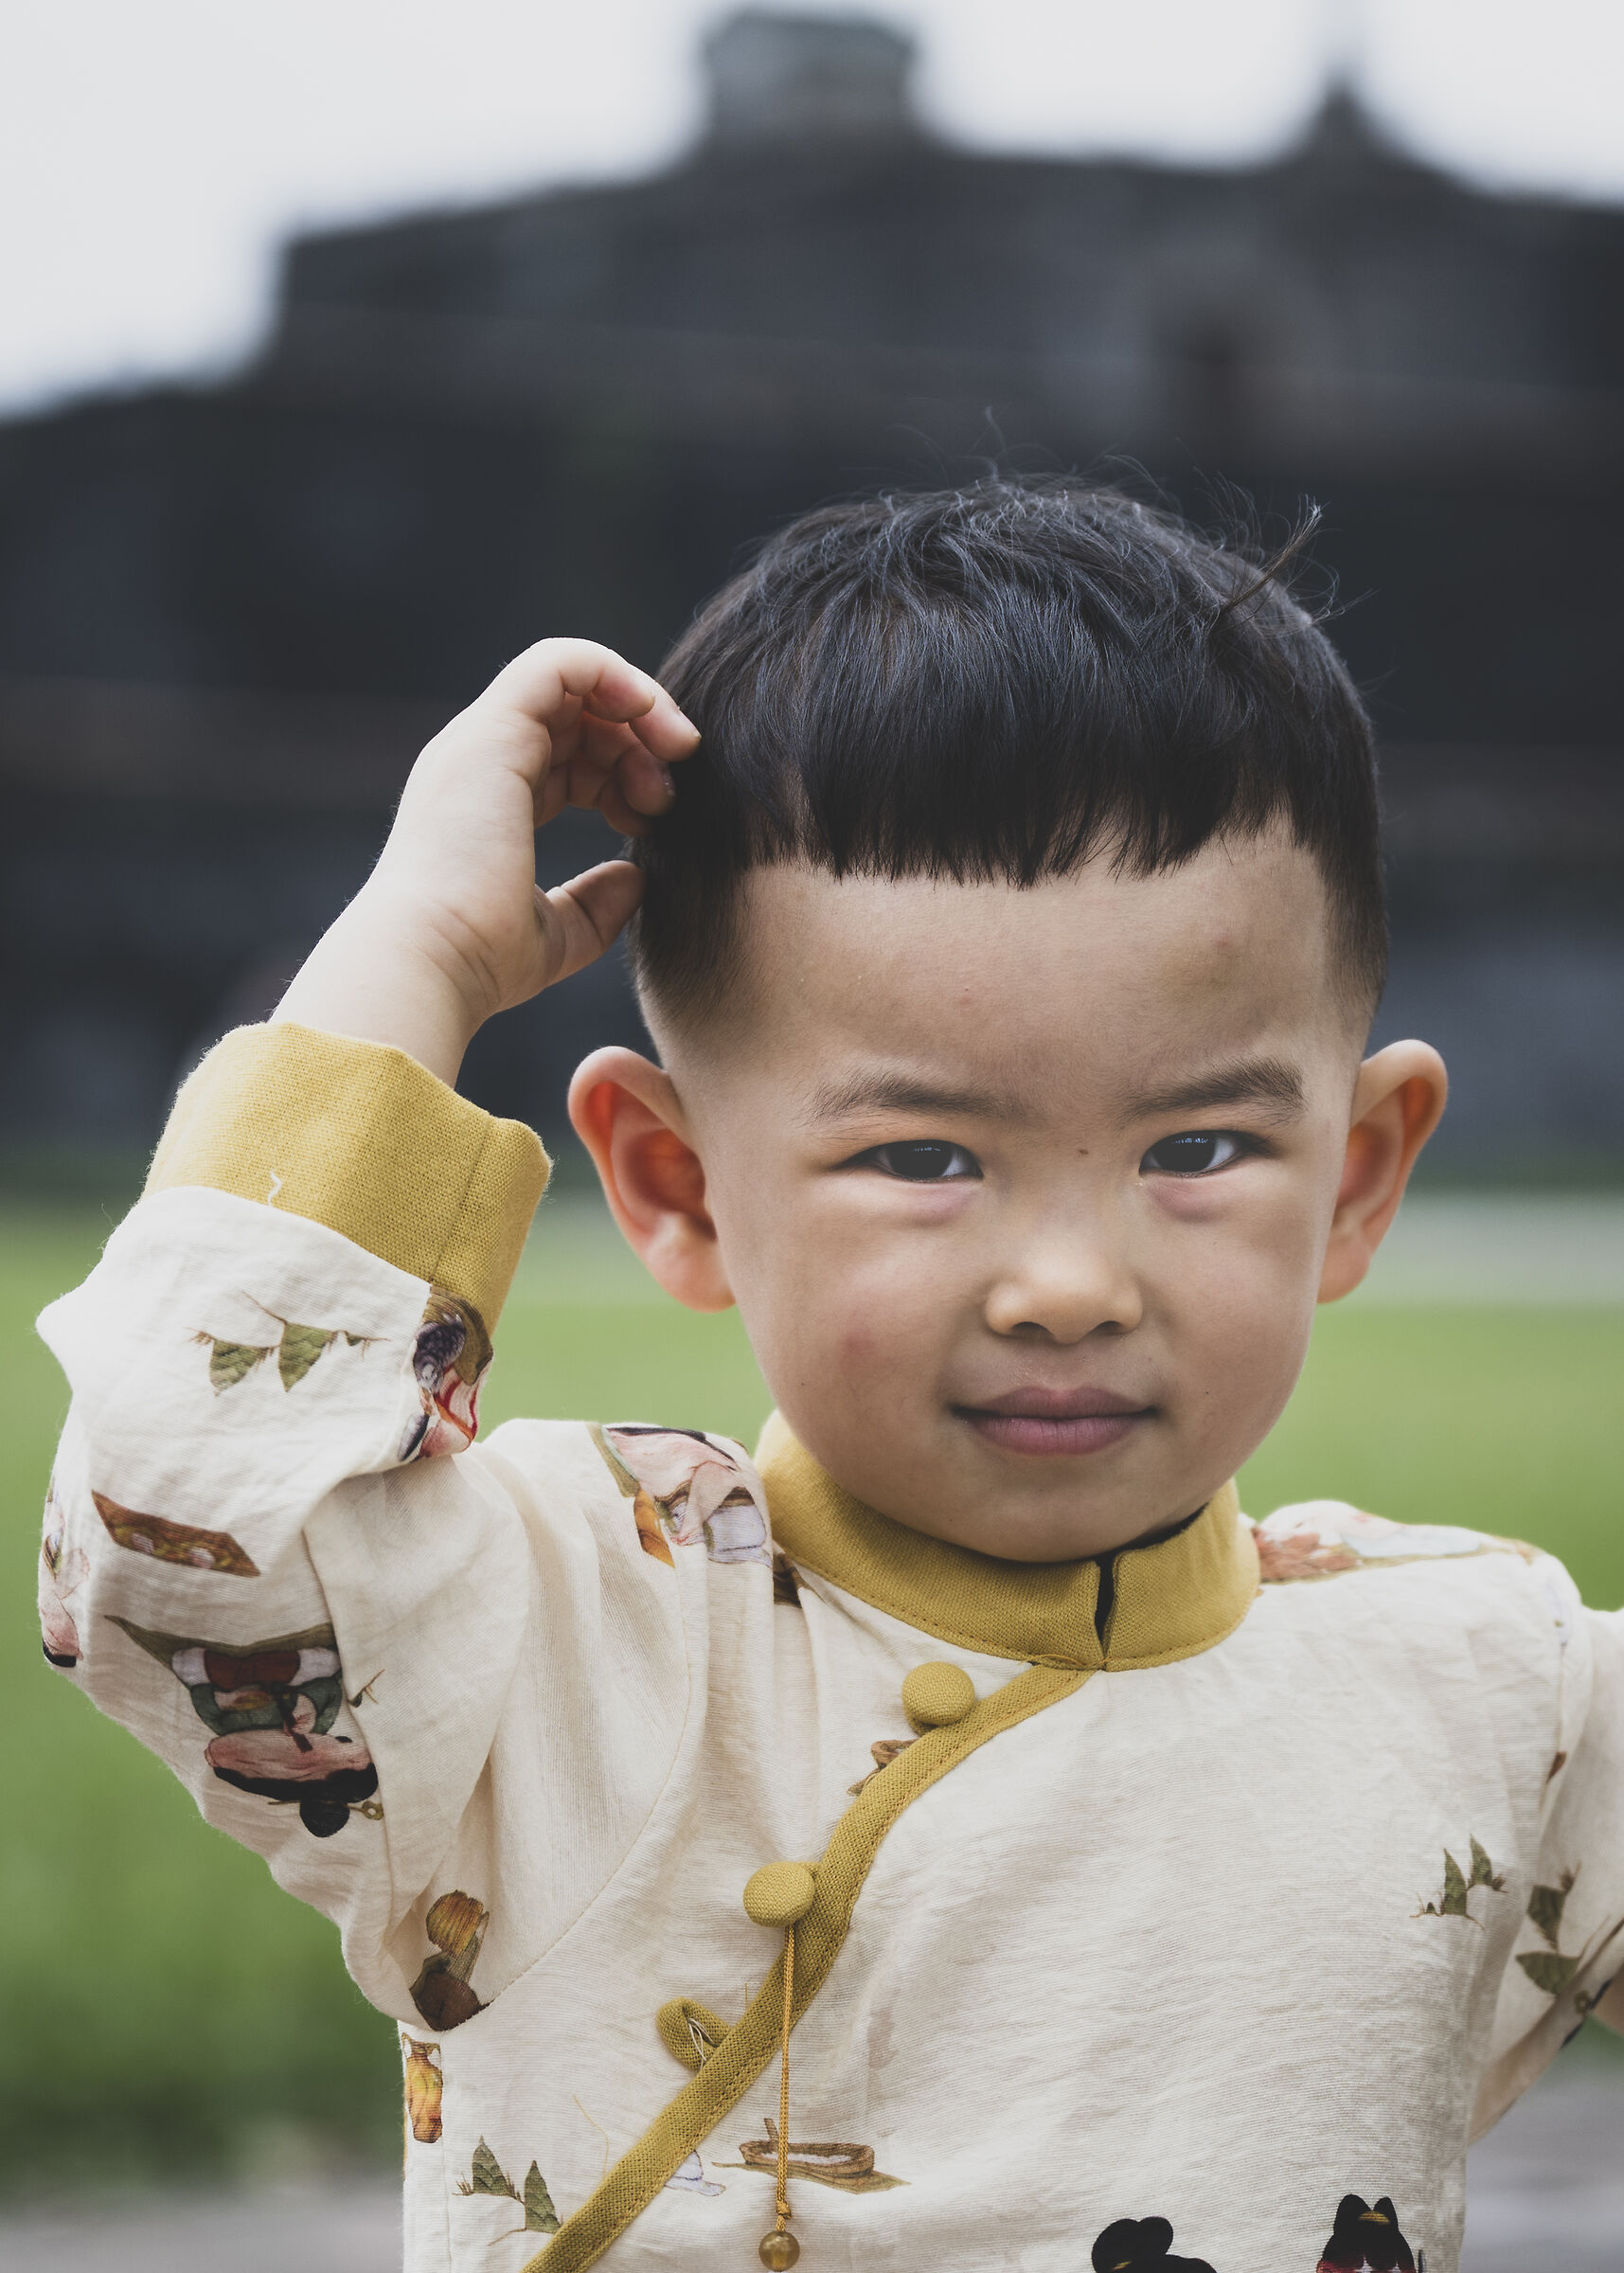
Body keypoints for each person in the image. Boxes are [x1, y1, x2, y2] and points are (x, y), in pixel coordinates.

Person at [35, 482, 1623, 2273]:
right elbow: (179, 1506)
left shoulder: (1496, 1684)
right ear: (678, 1185)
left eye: (1196, 1144)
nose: (1068, 1286)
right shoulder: (558, 1640)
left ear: (1360, 1174)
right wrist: (419, 955)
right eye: (925, 1160)